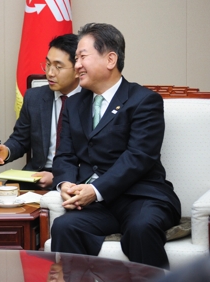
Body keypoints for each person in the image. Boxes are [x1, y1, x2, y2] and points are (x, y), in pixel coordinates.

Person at [50, 23, 181, 269]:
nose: (77, 65)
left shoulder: (144, 100)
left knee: (141, 228)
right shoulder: (75, 104)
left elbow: (139, 157)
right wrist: (65, 183)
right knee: (65, 226)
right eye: (76, 58)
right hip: (99, 204)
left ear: (110, 59)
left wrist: (95, 190)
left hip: (143, 197)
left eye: (82, 57)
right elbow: (64, 155)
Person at [0, 34, 80, 189]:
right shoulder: (34, 97)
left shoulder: (92, 101)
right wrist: (6, 151)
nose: (50, 73)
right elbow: (20, 139)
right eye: (48, 64)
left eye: (58, 67)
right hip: (35, 175)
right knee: (4, 199)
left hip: (75, 178)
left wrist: (58, 176)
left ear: (78, 69)